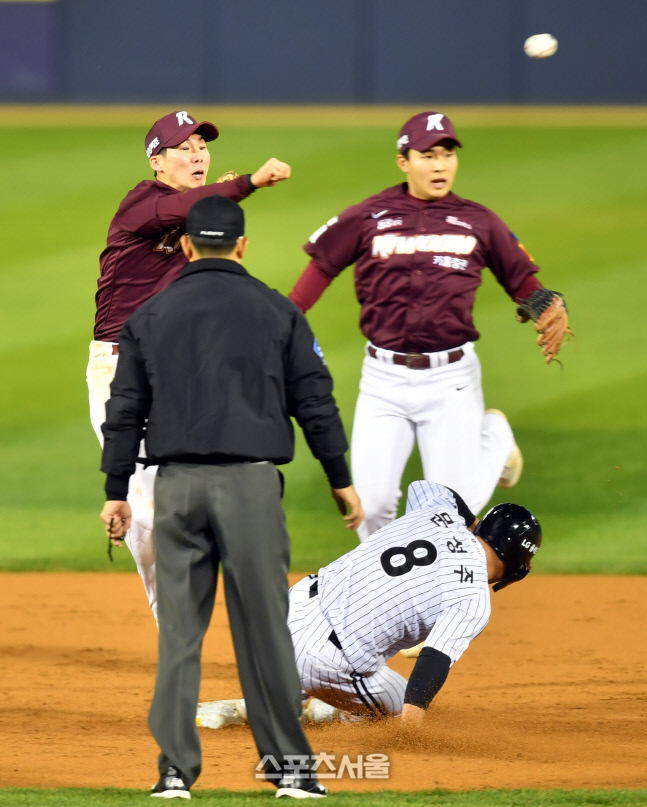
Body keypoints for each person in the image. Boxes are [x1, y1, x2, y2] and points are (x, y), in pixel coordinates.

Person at [99, 195, 362, 799]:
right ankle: (290, 771)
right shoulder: (278, 311)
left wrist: (116, 490)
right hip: (250, 487)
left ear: (186, 246)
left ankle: (173, 773)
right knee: (265, 629)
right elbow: (315, 401)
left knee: (180, 635)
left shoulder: (149, 314)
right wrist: (339, 476)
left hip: (176, 488)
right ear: (242, 246)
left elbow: (125, 410)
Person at [289, 110, 571, 541]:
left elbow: (522, 282)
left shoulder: (478, 221)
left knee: (449, 515)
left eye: (447, 154)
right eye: (428, 155)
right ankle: (385, 584)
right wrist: (284, 319)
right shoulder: (369, 216)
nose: (440, 165)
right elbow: (321, 268)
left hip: (451, 382)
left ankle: (494, 438)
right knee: (371, 507)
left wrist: (540, 300)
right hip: (383, 380)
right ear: (403, 162)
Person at [88, 109, 292, 620]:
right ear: (157, 161)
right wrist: (246, 184)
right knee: (147, 505)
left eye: (202, 146)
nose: (198, 154)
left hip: (176, 372)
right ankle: (174, 622)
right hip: (117, 371)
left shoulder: (197, 218)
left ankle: (193, 608)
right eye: (185, 148)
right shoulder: (140, 205)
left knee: (202, 488)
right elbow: (179, 208)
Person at [197, 479, 541, 729]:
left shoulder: (440, 513)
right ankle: (331, 708)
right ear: (516, 565)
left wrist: (468, 525)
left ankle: (269, 701)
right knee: (395, 707)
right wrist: (410, 727)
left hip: (286, 611)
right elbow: (434, 660)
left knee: (315, 656)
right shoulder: (474, 598)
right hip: (325, 659)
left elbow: (428, 487)